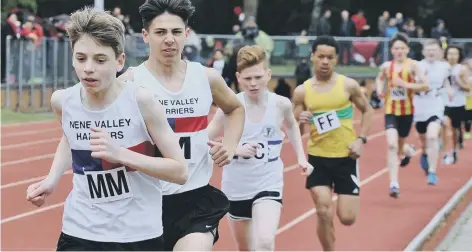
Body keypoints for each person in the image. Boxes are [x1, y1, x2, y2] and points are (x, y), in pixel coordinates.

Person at [25, 7, 188, 251]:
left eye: (100, 60)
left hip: (137, 235)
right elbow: (70, 138)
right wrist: (52, 179)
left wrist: (121, 154)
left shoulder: (142, 102)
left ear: (119, 61)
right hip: (79, 229)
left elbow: (180, 171)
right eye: (81, 58)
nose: (88, 68)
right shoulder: (63, 101)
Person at [119, 0, 245, 250]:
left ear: (187, 34)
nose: (169, 39)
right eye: (160, 32)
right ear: (145, 36)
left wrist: (230, 146)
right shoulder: (130, 83)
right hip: (145, 203)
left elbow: (235, 108)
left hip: (195, 202)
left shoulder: (206, 77)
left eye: (176, 32)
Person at [207, 45, 314, 251]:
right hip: (236, 186)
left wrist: (302, 157)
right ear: (238, 77)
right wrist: (235, 149)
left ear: (268, 74)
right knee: (245, 248)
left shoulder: (281, 104)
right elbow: (204, 138)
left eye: (258, 77)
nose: (253, 84)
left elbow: (292, 126)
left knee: (265, 241)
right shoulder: (230, 106)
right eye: (247, 79)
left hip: (268, 182)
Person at [292, 35, 374, 251]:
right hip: (317, 158)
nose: (325, 61)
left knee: (347, 218)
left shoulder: (348, 85)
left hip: (346, 157)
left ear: (336, 59)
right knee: (323, 209)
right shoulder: (303, 91)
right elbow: (295, 130)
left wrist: (361, 140)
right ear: (312, 57)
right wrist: (300, 121)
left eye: (330, 57)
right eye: (321, 57)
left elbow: (368, 110)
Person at [375, 32, 429, 198]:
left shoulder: (413, 66)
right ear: (392, 50)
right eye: (396, 48)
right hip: (391, 111)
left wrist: (405, 84)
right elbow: (379, 78)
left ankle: (408, 150)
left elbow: (426, 85)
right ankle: (394, 183)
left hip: (407, 112)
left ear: (407, 49)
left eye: (402, 48)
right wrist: (379, 90)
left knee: (399, 146)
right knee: (391, 145)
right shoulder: (386, 66)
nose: (399, 51)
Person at [413, 39, 451, 184]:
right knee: (424, 140)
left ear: (440, 52)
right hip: (420, 107)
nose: (431, 52)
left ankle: (432, 172)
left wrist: (449, 90)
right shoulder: (417, 66)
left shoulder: (445, 67)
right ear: (423, 52)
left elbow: (446, 81)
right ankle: (424, 152)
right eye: (428, 50)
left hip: (436, 106)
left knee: (433, 137)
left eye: (434, 50)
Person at [443, 45, 470, 163]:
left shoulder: (462, 69)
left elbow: (468, 88)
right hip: (444, 102)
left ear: (459, 56)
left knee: (455, 129)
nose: (452, 56)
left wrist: (459, 81)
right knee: (443, 122)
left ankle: (454, 149)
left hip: (458, 102)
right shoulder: (442, 67)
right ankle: (443, 147)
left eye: (455, 54)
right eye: (449, 53)